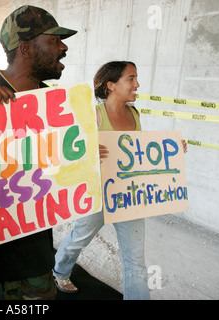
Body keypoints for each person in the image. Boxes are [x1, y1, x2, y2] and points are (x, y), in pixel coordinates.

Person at [0, 5, 77, 300]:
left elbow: (62, 171)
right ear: (25, 47)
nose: (64, 47)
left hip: (32, 259)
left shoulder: (55, 104)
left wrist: (85, 158)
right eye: (54, 40)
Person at [53, 61, 187, 300]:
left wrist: (171, 151)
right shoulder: (94, 114)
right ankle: (60, 271)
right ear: (111, 85)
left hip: (129, 197)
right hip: (98, 195)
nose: (137, 84)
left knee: (135, 260)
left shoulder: (134, 114)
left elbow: (140, 155)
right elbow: (68, 153)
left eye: (136, 79)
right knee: (79, 238)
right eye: (131, 79)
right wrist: (88, 152)